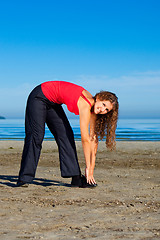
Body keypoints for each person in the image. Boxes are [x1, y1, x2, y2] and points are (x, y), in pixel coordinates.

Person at [17, 81, 119, 188]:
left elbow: (93, 139)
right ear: (99, 97)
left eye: (107, 109)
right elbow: (85, 139)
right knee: (36, 136)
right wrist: (87, 167)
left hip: (53, 103)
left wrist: (91, 169)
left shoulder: (93, 110)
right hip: (39, 96)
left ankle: (76, 179)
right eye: (103, 105)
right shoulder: (86, 104)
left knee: (66, 135)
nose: (103, 109)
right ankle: (24, 178)